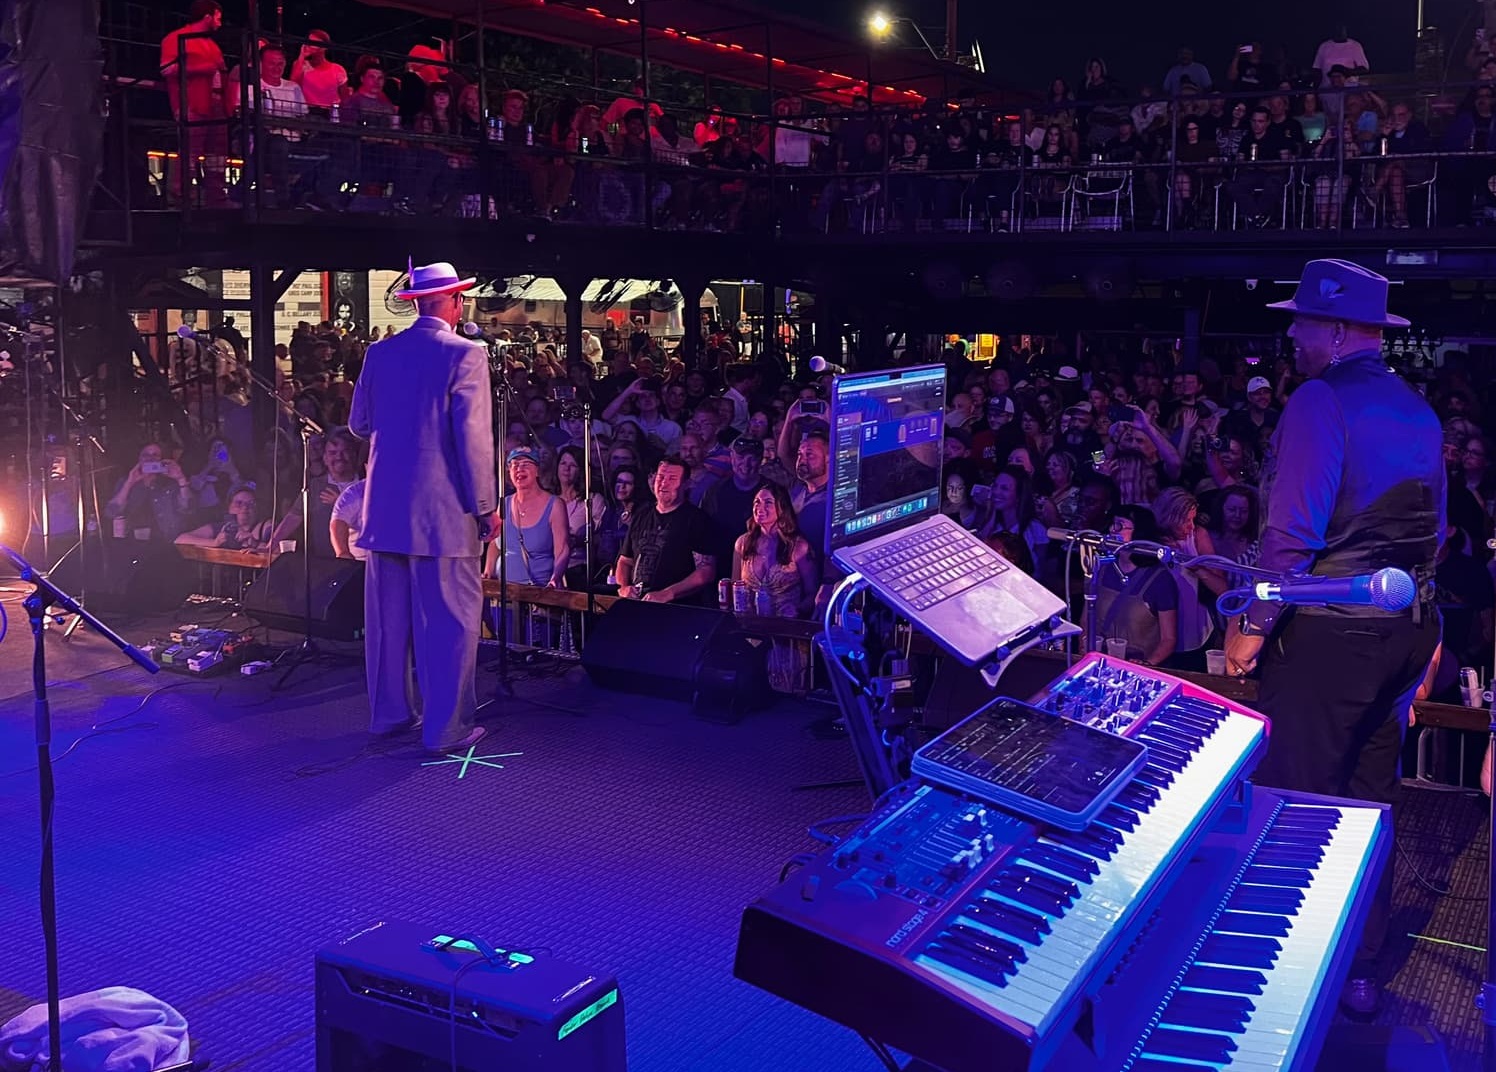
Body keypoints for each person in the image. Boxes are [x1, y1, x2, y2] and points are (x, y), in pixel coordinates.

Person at [1224, 259, 1443, 1017]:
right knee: (1369, 803)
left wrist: (1251, 630)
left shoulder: (1318, 401)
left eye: (1303, 320)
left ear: (1340, 330)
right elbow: (1433, 535)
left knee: (1297, 805)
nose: (1291, 333)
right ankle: (1359, 968)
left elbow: (1290, 540)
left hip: (1330, 639)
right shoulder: (1419, 410)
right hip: (1405, 631)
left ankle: (1281, 982)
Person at [350, 261, 498, 754]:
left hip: (384, 510)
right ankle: (445, 728)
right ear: (454, 302)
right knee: (450, 623)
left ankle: (388, 717)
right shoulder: (467, 355)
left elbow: (359, 424)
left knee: (387, 625)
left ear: (416, 302)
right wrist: (485, 506)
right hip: (443, 512)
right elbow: (472, 441)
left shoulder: (379, 353)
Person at [733, 482, 818, 692]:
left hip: (786, 634)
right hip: (751, 631)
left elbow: (812, 594)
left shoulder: (798, 547)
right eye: (756, 502)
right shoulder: (743, 543)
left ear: (782, 507)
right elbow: (736, 584)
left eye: (768, 502)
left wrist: (797, 609)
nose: (760, 507)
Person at [615, 455, 715, 603]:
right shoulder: (641, 515)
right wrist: (624, 587)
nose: (663, 483)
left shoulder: (696, 519)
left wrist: (669, 593)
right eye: (660, 477)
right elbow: (624, 561)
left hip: (678, 608)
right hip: (639, 603)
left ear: (685, 484)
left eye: (672, 479)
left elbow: (706, 571)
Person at [487, 448, 569, 588]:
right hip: (503, 592)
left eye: (526, 464)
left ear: (537, 470)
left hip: (538, 593)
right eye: (514, 465)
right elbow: (495, 544)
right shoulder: (504, 503)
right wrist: (488, 571)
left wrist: (556, 578)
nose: (520, 469)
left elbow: (562, 548)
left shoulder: (555, 505)